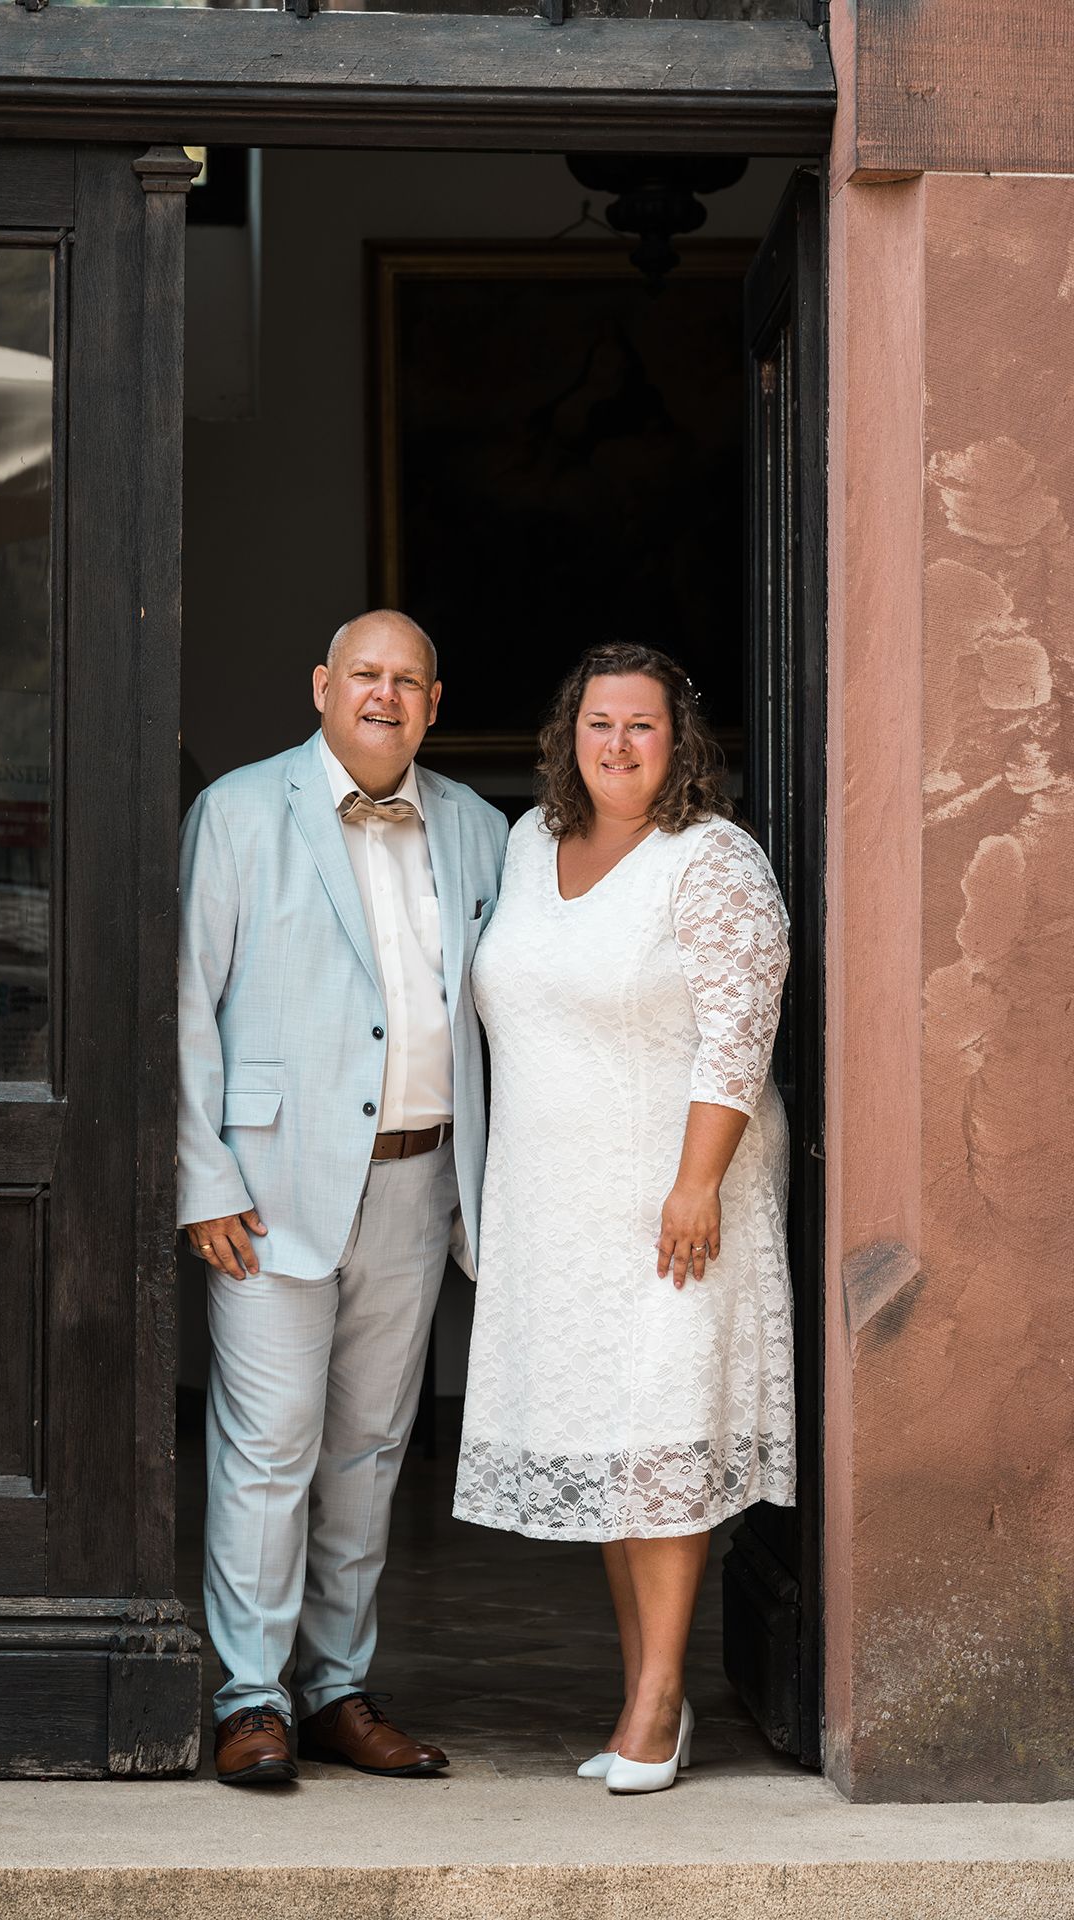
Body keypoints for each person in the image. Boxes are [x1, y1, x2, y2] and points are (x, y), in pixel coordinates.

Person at [453, 640, 794, 1796]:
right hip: (559, 1201)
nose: (616, 745)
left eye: (640, 726)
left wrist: (695, 1181)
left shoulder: (710, 860)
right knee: (608, 1446)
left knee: (656, 1441)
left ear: (677, 741)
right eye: (597, 724)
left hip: (671, 1197)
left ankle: (655, 1703)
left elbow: (736, 1034)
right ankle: (649, 1689)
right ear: (567, 736)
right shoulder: (529, 840)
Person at [178, 610, 508, 1787]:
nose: (384, 696)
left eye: (406, 681)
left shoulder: (477, 827)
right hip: (267, 1190)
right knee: (269, 1447)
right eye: (364, 675)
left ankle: (335, 1689)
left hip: (422, 1181)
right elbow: (186, 1000)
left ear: (432, 701)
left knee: (368, 1452)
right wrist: (201, 1175)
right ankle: (250, 1698)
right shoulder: (235, 811)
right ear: (322, 686)